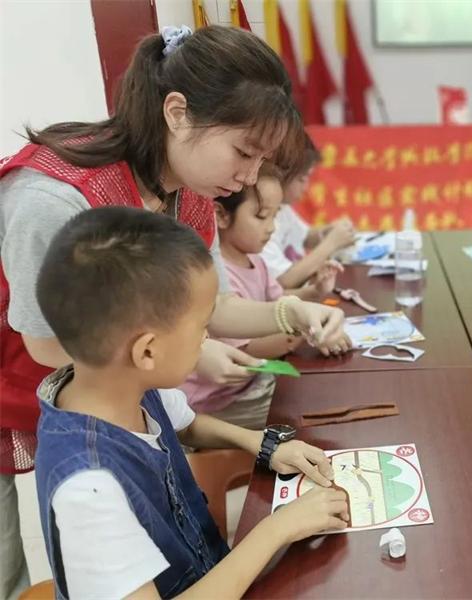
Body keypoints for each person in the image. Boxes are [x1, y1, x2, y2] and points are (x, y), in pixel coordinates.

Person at [0, 25, 347, 596]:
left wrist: (290, 314)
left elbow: (213, 307)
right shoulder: (50, 198)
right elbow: (42, 343)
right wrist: (187, 351)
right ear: (178, 113)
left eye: (262, 159)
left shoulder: (189, 193)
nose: (249, 176)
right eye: (244, 152)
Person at [34, 207, 349, 598]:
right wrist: (278, 528)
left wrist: (263, 445)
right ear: (147, 351)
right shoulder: (88, 491)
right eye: (202, 328)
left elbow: (187, 424)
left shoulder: (122, 383)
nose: (206, 340)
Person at [181, 164, 342, 429]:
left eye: (275, 216)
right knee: (307, 415)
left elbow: (279, 302)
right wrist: (308, 329)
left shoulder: (256, 262)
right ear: (220, 215)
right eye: (261, 216)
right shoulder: (219, 277)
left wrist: (313, 293)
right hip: (218, 404)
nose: (271, 228)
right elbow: (252, 348)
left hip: (250, 386)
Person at [261, 134, 356, 289]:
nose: (305, 188)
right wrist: (331, 243)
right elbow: (283, 281)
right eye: (302, 179)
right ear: (280, 175)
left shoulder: (283, 208)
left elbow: (304, 236)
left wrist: (328, 231)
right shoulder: (262, 220)